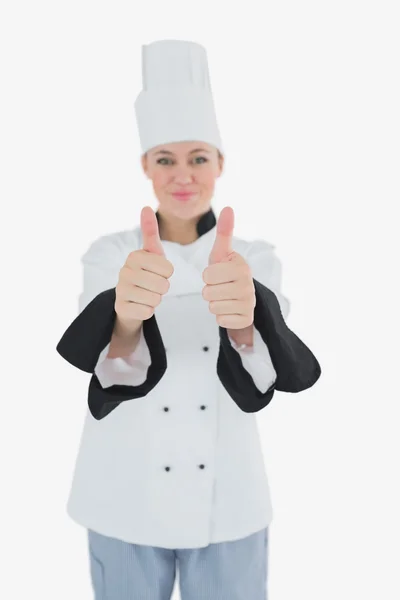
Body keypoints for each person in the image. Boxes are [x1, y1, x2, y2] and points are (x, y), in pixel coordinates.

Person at [56, 39, 321, 600]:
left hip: (229, 502)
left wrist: (245, 322)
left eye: (198, 157)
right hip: (121, 492)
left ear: (220, 163)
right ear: (145, 166)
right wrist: (125, 317)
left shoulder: (256, 257)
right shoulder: (110, 255)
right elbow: (103, 363)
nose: (183, 175)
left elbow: (268, 374)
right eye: (166, 159)